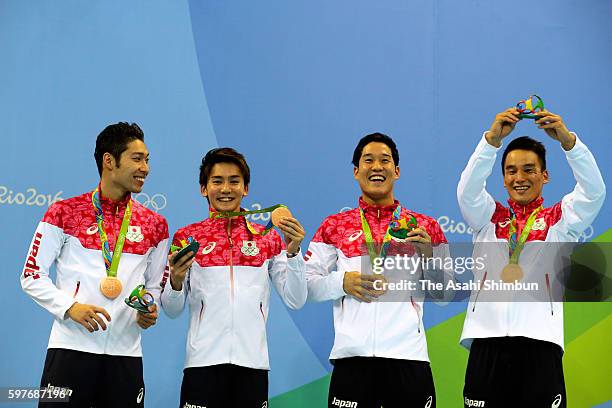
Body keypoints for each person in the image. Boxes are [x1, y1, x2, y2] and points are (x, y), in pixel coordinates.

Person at [457, 108, 606, 407]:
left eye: (529, 169)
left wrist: (568, 142)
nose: (519, 177)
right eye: (511, 171)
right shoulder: (487, 218)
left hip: (541, 348)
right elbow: (467, 192)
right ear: (503, 178)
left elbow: (593, 192)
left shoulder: (559, 222)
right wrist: (491, 142)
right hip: (487, 348)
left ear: (545, 175)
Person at [21, 122, 169, 407]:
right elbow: (31, 275)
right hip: (69, 351)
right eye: (137, 159)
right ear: (109, 161)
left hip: (125, 355)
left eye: (147, 160)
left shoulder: (155, 225)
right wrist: (70, 307)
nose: (146, 168)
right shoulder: (63, 212)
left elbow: (153, 288)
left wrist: (148, 309)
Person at [304, 133, 452, 408]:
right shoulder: (334, 226)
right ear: (356, 171)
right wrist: (342, 283)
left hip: (409, 361)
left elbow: (445, 296)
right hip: (353, 363)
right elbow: (305, 286)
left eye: (384, 160)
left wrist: (429, 258)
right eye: (368, 160)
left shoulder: (424, 227)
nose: (376, 167)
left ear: (396, 171)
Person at [161, 147, 308, 408]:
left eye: (234, 181)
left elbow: (296, 299)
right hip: (202, 364)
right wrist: (175, 280)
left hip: (252, 364)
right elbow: (172, 310)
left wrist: (294, 251)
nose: (226, 188)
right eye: (217, 181)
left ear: (246, 188)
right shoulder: (187, 238)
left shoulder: (267, 237)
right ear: (203, 189)